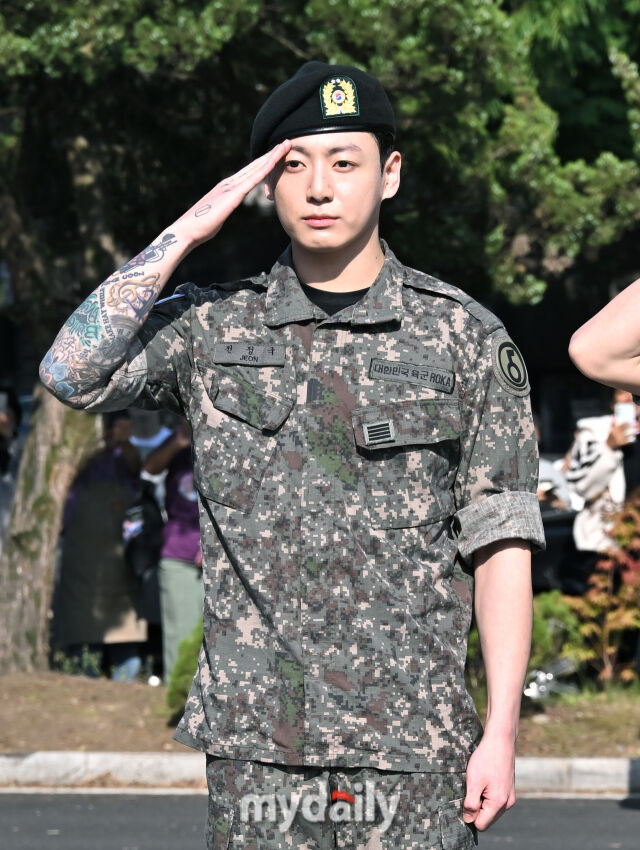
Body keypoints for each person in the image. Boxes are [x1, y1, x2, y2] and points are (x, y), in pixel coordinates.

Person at [40, 62, 544, 849]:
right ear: (264, 184)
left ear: (389, 175)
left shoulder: (465, 339)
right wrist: (188, 230)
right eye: (293, 165)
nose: (318, 188)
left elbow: (502, 541)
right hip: (259, 753)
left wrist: (502, 731)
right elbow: (70, 371)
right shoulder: (212, 328)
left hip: (413, 748)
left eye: (344, 162)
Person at [52, 410, 147, 681]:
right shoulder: (74, 447)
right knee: (82, 633)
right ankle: (83, 683)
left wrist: (123, 443)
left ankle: (126, 689)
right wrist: (98, 443)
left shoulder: (126, 453)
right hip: (81, 557)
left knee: (125, 636)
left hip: (119, 560)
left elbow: (137, 468)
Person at [143, 421, 202, 682]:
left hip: (224, 555)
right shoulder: (180, 437)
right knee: (181, 633)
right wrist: (178, 443)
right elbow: (149, 468)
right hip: (179, 554)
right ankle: (179, 694)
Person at [565, 389, 640, 554]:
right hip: (603, 540)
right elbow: (581, 487)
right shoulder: (593, 433)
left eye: (633, 389)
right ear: (612, 402)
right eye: (622, 391)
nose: (629, 397)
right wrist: (609, 447)